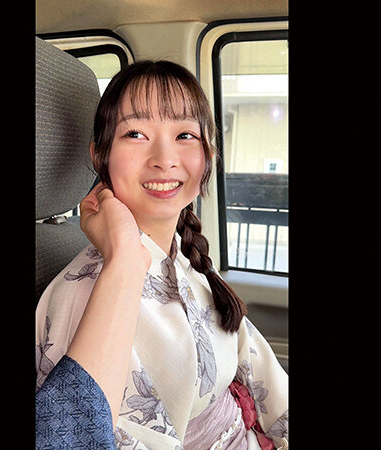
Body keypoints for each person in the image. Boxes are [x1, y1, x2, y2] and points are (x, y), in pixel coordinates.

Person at [36, 60, 288, 449]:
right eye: (135, 133)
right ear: (100, 156)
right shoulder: (86, 296)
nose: (165, 158)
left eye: (185, 134)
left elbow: (258, 368)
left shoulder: (186, 258)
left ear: (208, 154)